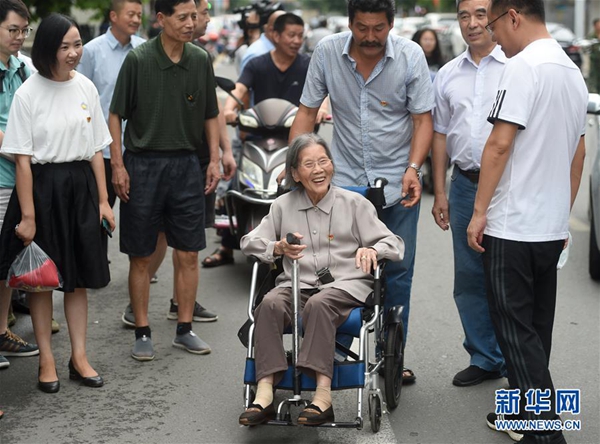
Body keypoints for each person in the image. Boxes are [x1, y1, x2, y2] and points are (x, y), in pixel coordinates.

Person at [289, 0, 434, 383]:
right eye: (362, 28)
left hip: (397, 186)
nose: (370, 37)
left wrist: (414, 168)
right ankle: (335, 352)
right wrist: (294, 172)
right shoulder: (327, 53)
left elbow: (423, 120)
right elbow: (307, 113)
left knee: (397, 271)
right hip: (344, 186)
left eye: (379, 28)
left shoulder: (410, 56)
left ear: (392, 24)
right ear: (350, 23)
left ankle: (391, 354)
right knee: (336, 268)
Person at [466, 1, 587, 442]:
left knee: (515, 334)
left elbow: (499, 145)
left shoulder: (522, 67)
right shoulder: (572, 71)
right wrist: (560, 214)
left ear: (513, 16)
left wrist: (479, 212)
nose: (493, 37)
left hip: (512, 226)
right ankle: (521, 414)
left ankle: (547, 435)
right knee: (535, 332)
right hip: (549, 228)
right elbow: (578, 154)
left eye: (494, 25)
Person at [238, 133, 404, 426]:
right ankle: (264, 393)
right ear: (295, 173)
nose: (318, 170)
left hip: (345, 286)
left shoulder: (354, 204)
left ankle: (323, 397)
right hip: (296, 284)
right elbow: (249, 242)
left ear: (332, 165)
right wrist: (277, 247)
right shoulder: (282, 206)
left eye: (323, 161)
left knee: (319, 303)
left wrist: (373, 249)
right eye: (309, 164)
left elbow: (394, 243)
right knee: (269, 304)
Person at [0, 13, 115, 393]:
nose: (73, 53)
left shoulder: (85, 87)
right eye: (65, 46)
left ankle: (79, 357)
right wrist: (28, 216)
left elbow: (97, 149)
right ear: (49, 49)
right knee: (42, 281)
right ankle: (46, 360)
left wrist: (103, 201)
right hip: (42, 189)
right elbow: (22, 160)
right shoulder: (28, 93)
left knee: (78, 280)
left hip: (82, 188)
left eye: (78, 44)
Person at [108, 0, 221, 361]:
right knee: (141, 254)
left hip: (186, 164)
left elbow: (211, 114)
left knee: (189, 252)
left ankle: (184, 329)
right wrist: (117, 165)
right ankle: (142, 331)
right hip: (142, 165)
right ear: (161, 19)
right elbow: (115, 115)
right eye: (182, 17)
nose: (191, 23)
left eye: (194, 17)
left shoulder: (200, 59)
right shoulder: (139, 60)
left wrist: (214, 158)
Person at [203, 12, 325, 269]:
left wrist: (322, 109)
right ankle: (227, 245)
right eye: (291, 35)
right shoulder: (257, 64)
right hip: (259, 134)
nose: (296, 41)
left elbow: (324, 93)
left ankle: (321, 248)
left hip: (296, 141)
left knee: (315, 187)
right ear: (275, 35)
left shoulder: (308, 65)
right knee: (236, 185)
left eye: (300, 36)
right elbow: (239, 89)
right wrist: (230, 110)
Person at [430, 0, 506, 387]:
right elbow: (439, 134)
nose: (472, 23)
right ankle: (485, 357)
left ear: (496, 16)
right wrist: (440, 192)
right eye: (464, 16)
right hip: (463, 185)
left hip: (508, 187)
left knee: (509, 275)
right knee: (470, 277)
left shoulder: (516, 66)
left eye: (480, 14)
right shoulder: (447, 74)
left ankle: (516, 358)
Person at [77, 0, 145, 210]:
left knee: (140, 218)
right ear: (113, 16)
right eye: (131, 14)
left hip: (137, 149)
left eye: (139, 15)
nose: (136, 20)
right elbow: (80, 100)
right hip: (101, 152)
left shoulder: (145, 50)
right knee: (98, 216)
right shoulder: (91, 51)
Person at [0, 0, 38, 371]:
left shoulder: (23, 67)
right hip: (3, 177)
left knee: (6, 261)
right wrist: (25, 155)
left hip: (20, 179)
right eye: (13, 30)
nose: (20, 37)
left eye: (24, 30)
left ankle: (1, 331)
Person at [239, 9, 286, 74]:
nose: (296, 41)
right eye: (290, 34)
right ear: (271, 30)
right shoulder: (256, 55)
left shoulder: (281, 51)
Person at [586, 18, 600, 93]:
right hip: (594, 61)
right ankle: (594, 92)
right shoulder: (591, 36)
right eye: (598, 24)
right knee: (593, 78)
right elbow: (587, 47)